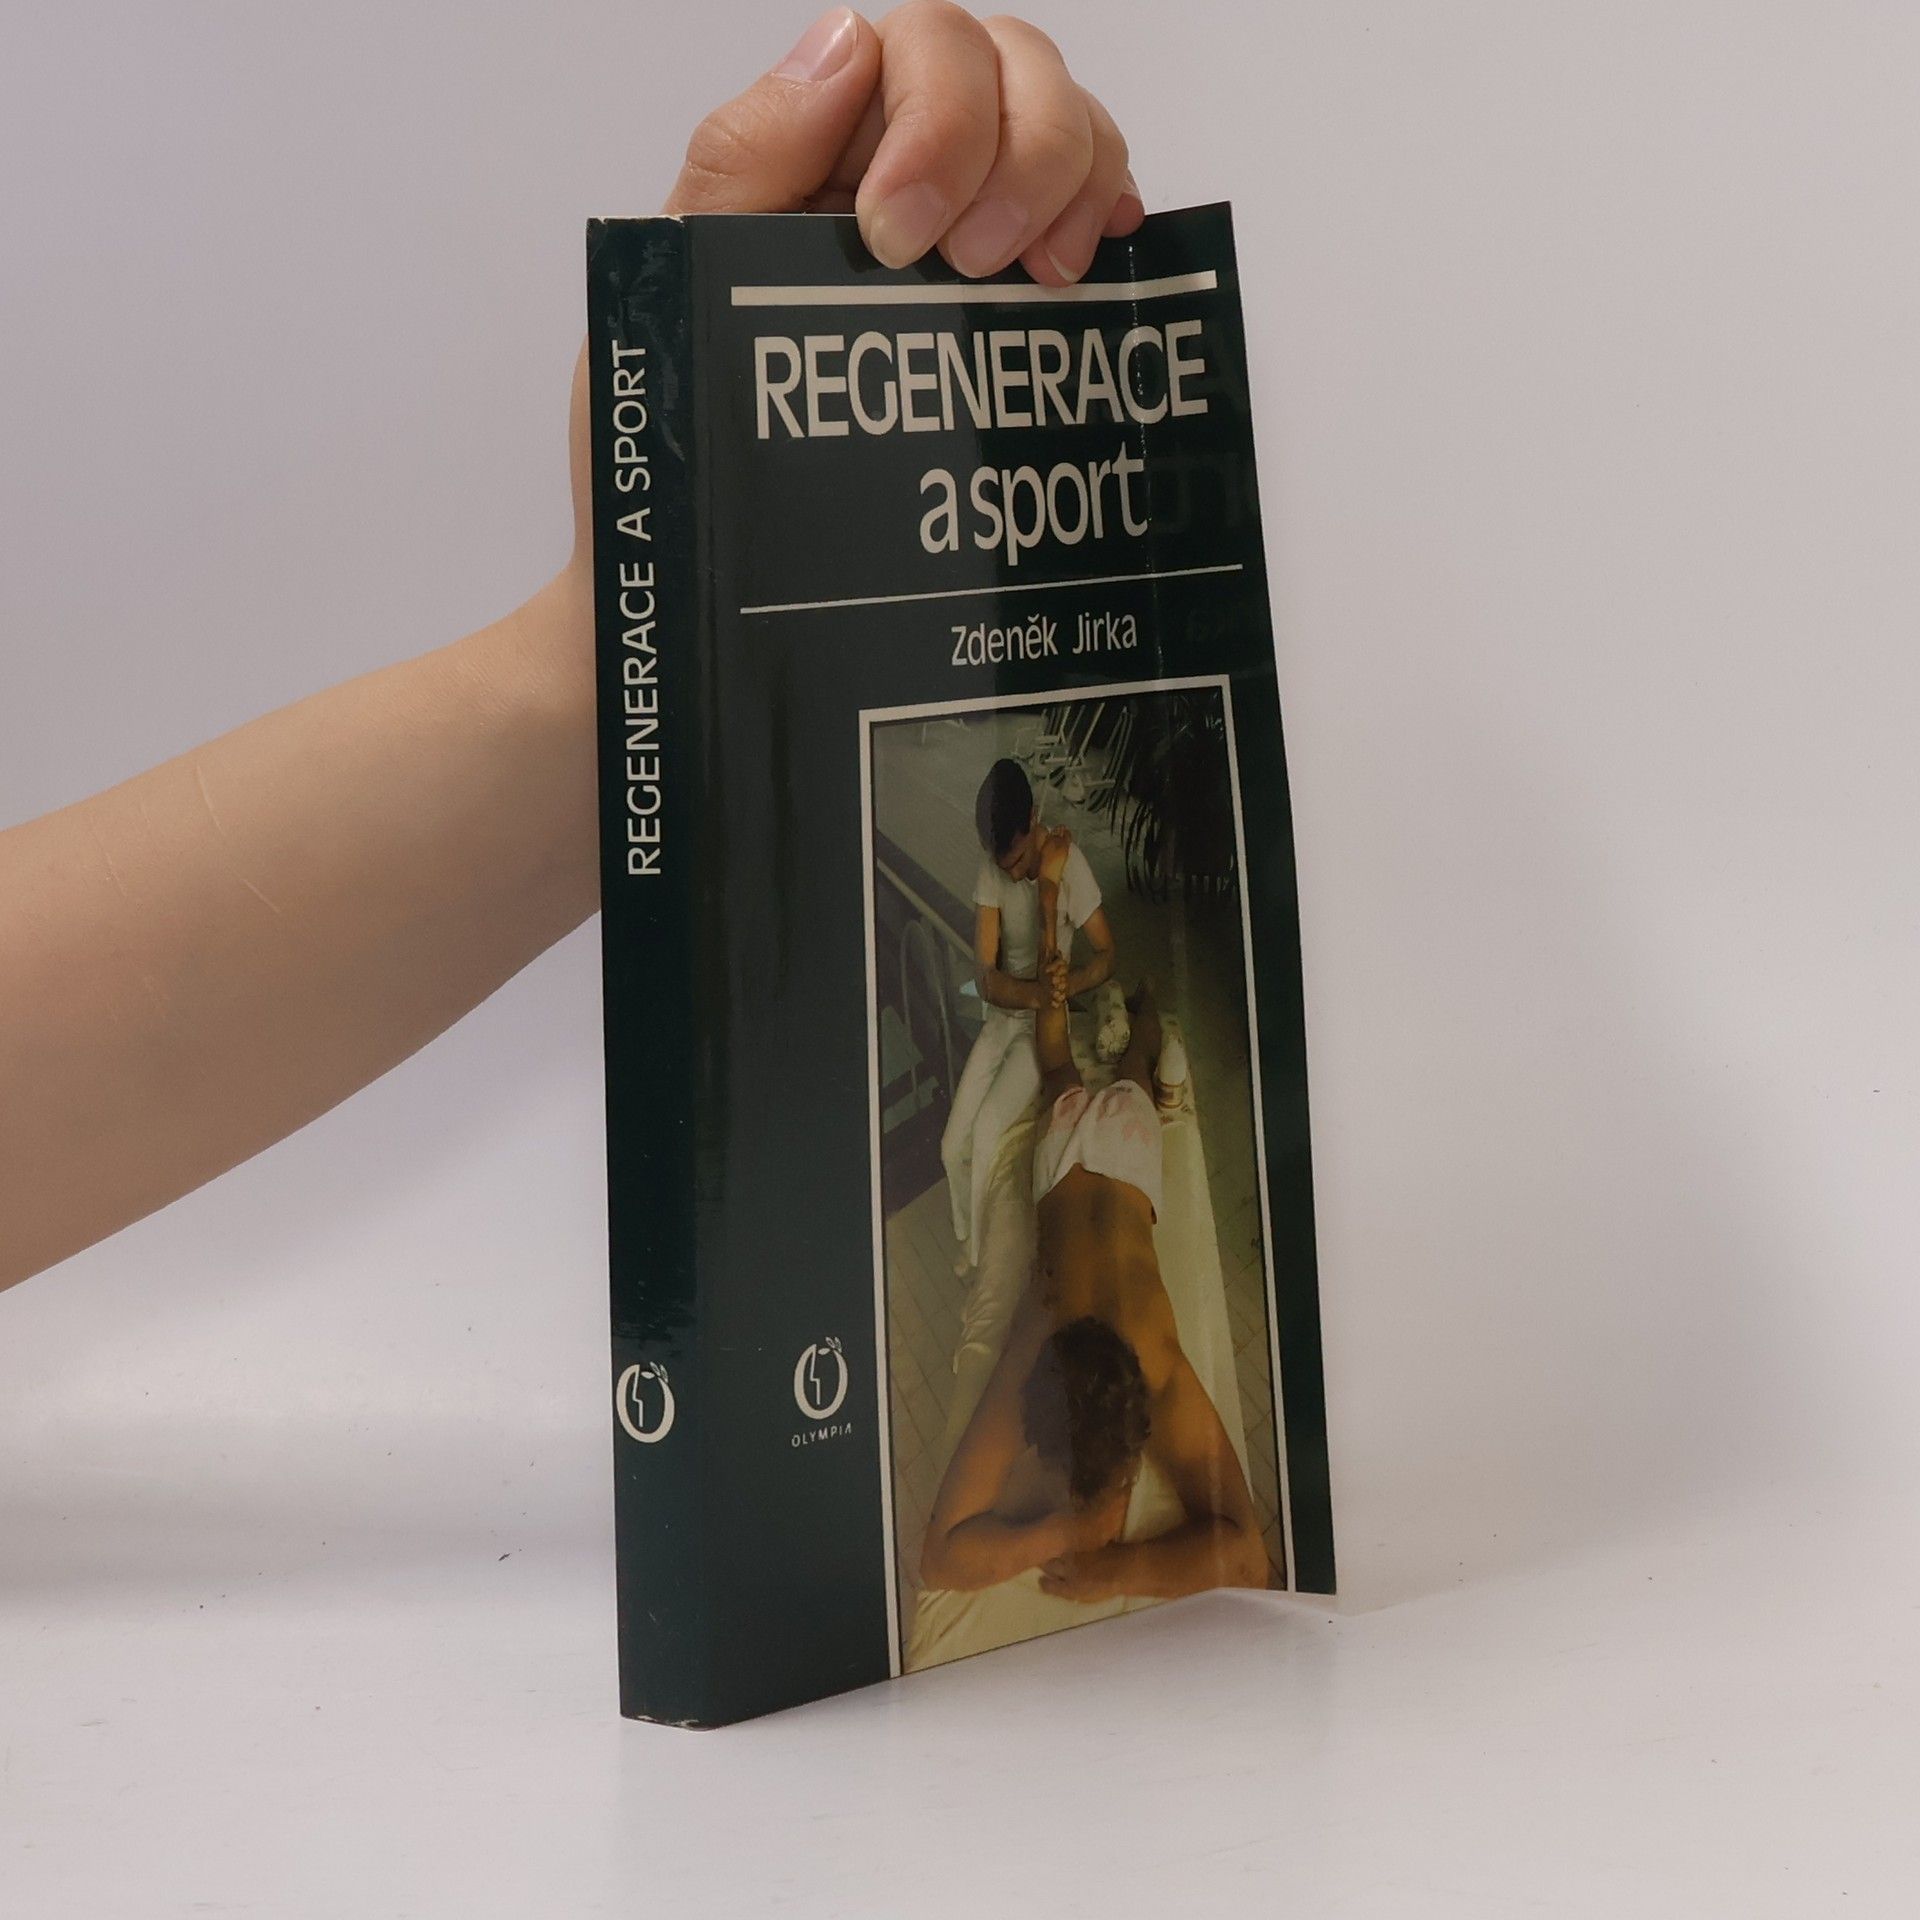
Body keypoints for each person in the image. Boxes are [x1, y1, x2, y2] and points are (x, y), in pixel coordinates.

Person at [0, 5, 1146, 1295]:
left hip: (1036, 1033)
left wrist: (657, 661)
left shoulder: (1050, 871)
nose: (1013, 859)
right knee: (974, 1157)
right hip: (1012, 1037)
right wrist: (648, 675)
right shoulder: (1008, 875)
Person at [918, 832, 1269, 1602]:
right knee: (1109, 1067)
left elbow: (944, 1554)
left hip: (1109, 1157)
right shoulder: (1084, 1352)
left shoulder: (1064, 1349)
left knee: (1067, 1071)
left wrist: (1108, 1563)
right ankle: (1139, 1012)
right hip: (1099, 1156)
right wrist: (1078, 1539)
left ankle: (1126, 1011)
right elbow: (1247, 1553)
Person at [940, 757, 1114, 1272]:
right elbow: (986, 979)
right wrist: (1038, 993)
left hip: (1038, 1028)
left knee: (987, 1133)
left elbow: (1107, 955)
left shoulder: (1068, 865)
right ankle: (966, 1234)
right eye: (1003, 866)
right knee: (950, 1146)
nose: (1012, 873)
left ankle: (980, 1261)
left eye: (1017, 861)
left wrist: (1069, 984)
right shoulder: (993, 866)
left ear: (1034, 818)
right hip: (1006, 1016)